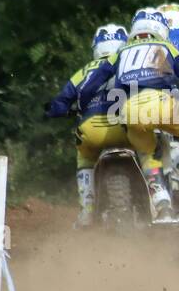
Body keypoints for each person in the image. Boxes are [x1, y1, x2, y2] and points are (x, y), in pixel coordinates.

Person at [74, 8, 179, 217]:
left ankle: (162, 203)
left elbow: (91, 85)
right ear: (161, 29)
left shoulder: (120, 53)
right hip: (161, 103)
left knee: (147, 152)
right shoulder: (167, 47)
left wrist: (83, 107)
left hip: (130, 111)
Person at [44, 24, 130, 227]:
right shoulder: (130, 64)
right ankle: (159, 197)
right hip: (125, 129)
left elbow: (61, 102)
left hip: (92, 132)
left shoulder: (82, 72)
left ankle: (87, 210)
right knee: (149, 148)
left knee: (84, 159)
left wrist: (53, 111)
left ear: (96, 47)